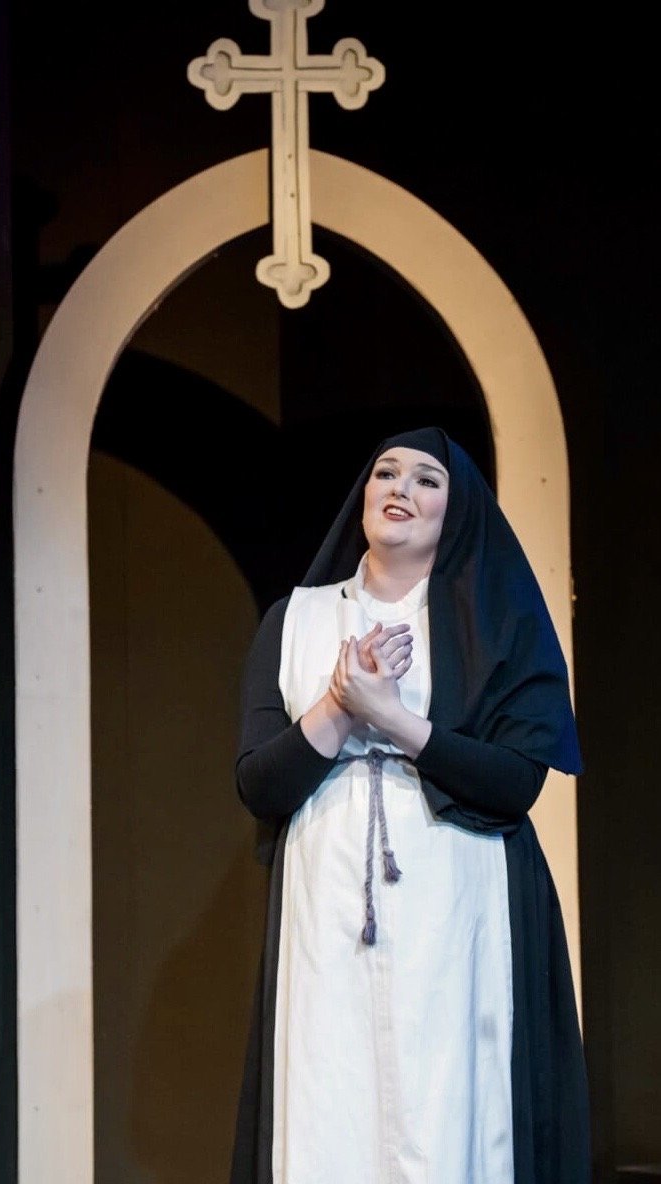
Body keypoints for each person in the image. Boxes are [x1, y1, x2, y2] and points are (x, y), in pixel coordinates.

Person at [229, 426, 590, 1184]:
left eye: (427, 479)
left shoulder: (495, 624)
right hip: (324, 904)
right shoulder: (296, 620)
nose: (400, 488)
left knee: (447, 1114)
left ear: (457, 510)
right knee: (331, 1111)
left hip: (459, 902)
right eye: (385, 473)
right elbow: (259, 783)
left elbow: (518, 780)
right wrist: (338, 703)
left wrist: (392, 718)